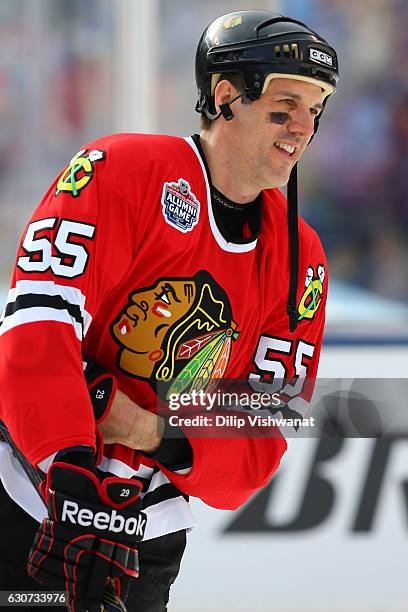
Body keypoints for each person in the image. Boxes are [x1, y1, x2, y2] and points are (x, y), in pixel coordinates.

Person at [0, 9, 338, 612]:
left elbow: (256, 440)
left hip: (148, 538)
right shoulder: (122, 171)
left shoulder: (300, 258)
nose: (302, 129)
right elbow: (36, 324)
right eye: (285, 107)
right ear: (226, 96)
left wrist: (150, 430)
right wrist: (67, 466)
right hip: (30, 498)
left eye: (315, 111)